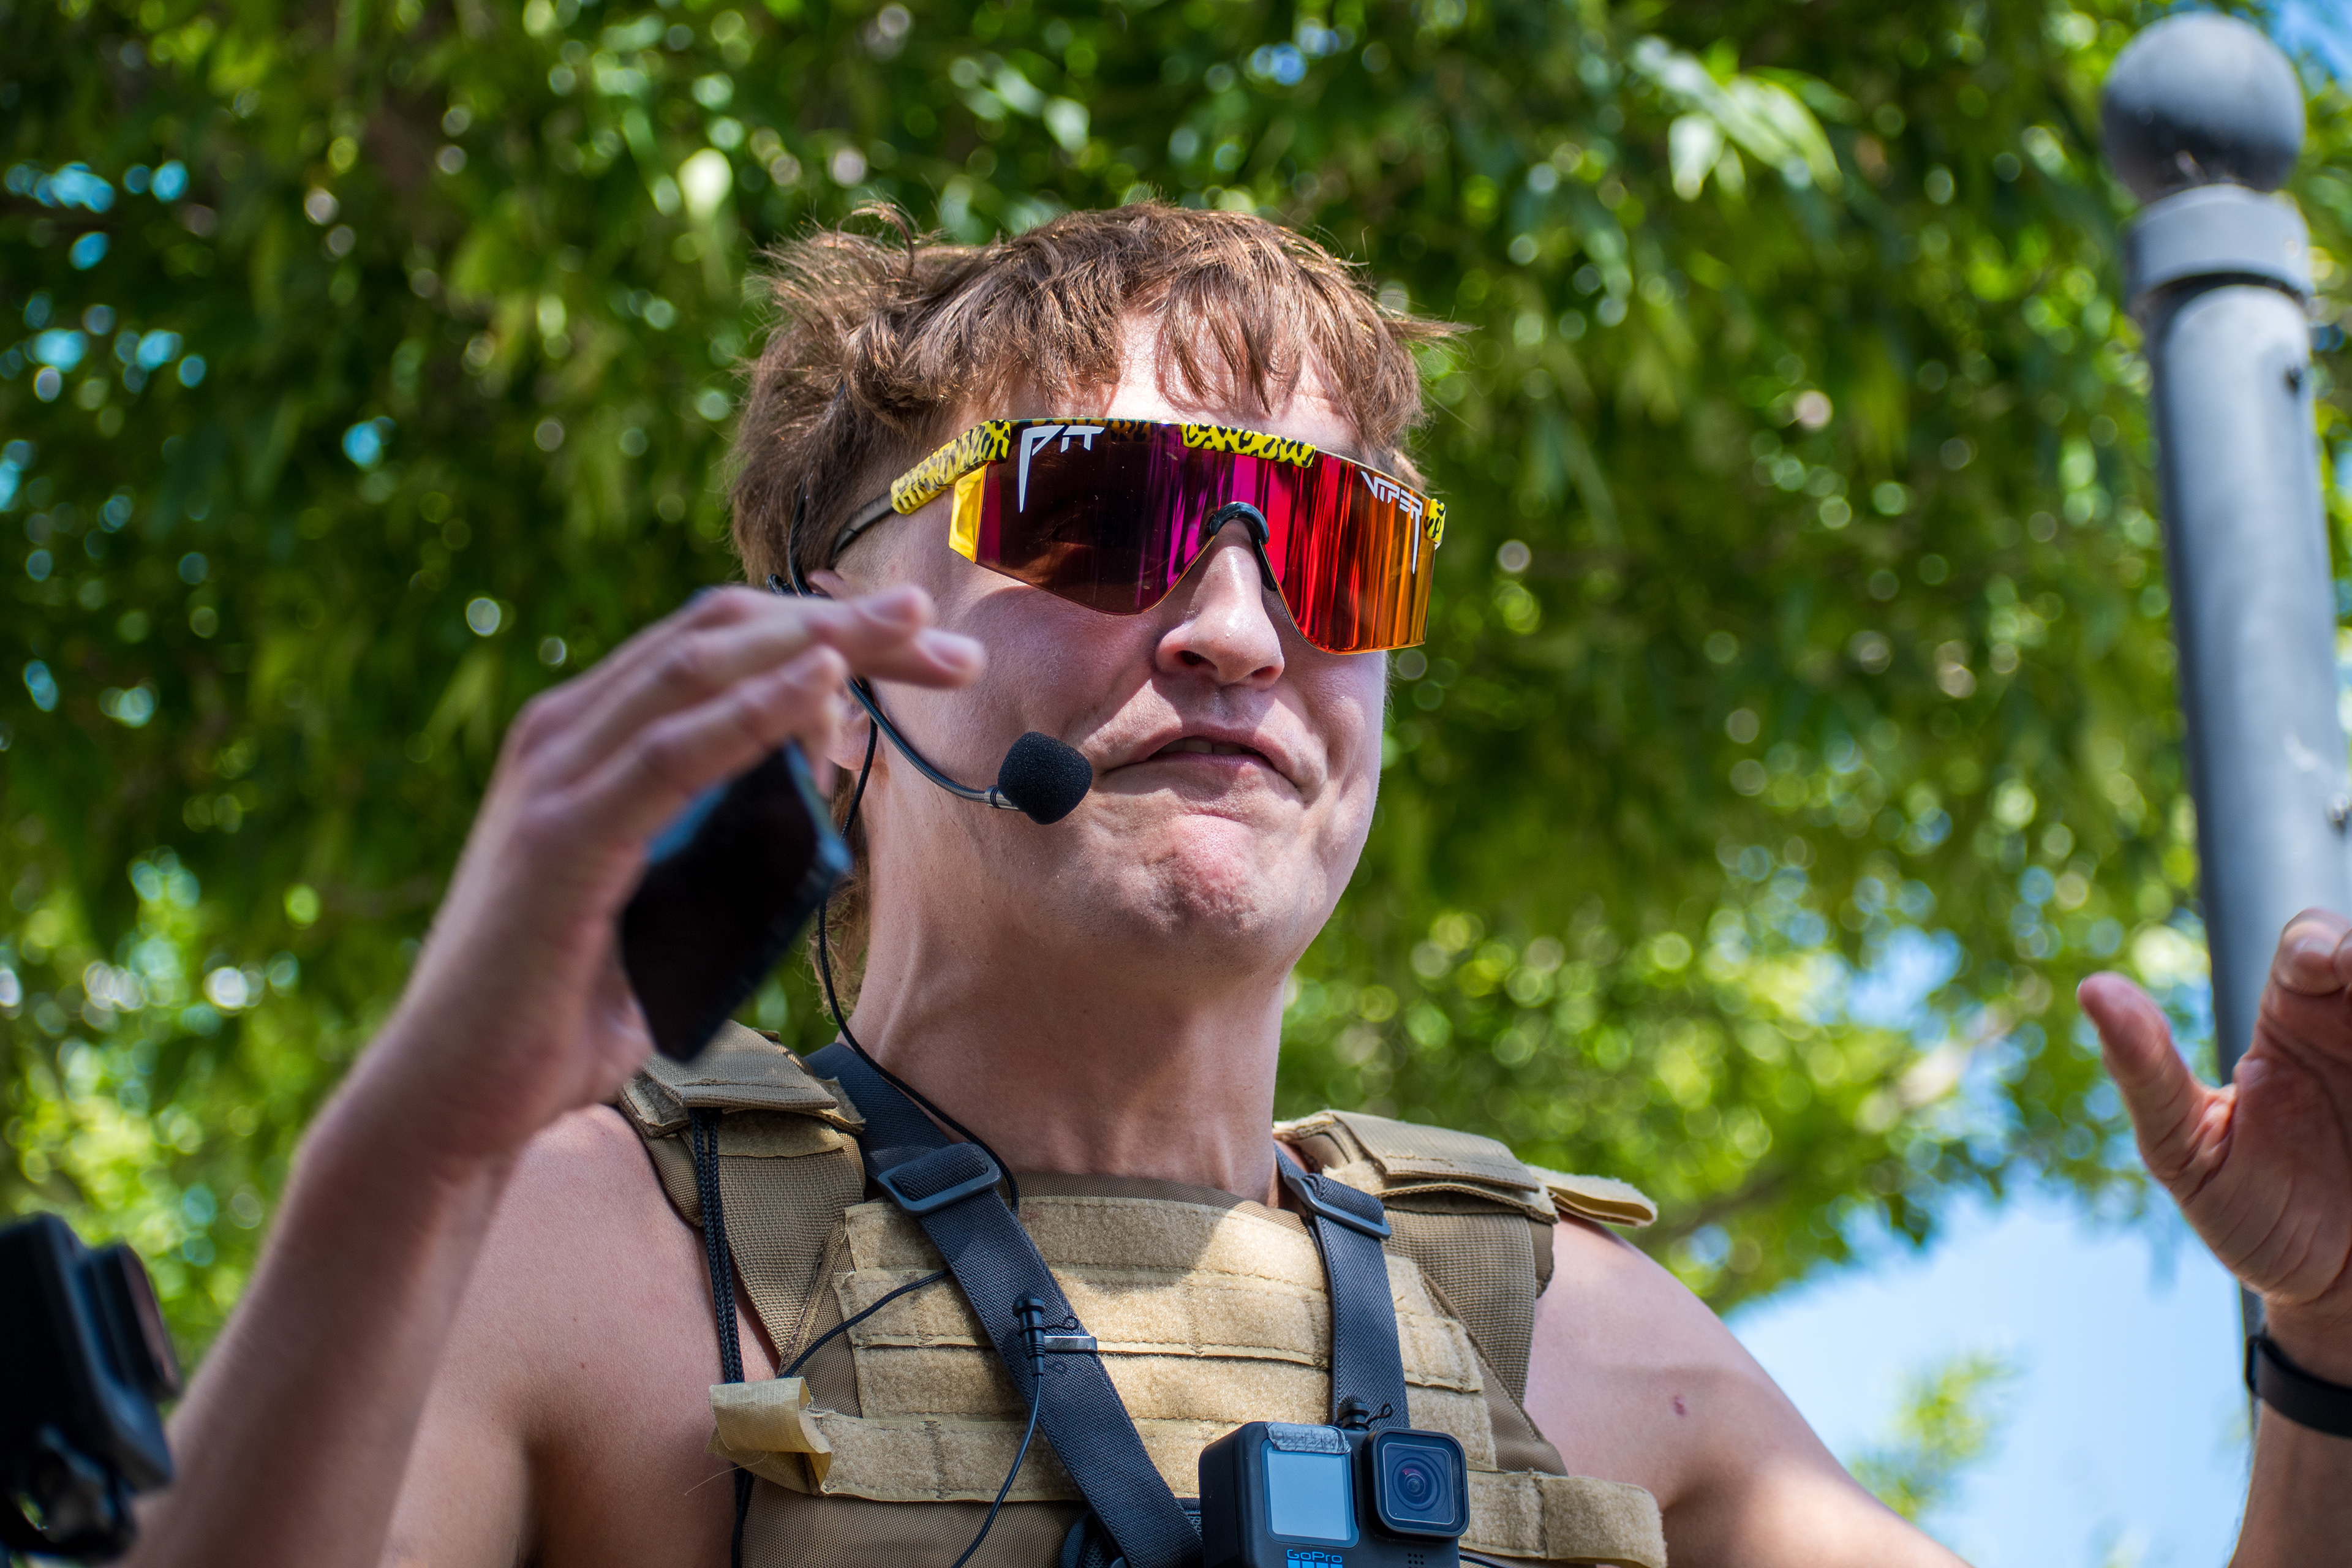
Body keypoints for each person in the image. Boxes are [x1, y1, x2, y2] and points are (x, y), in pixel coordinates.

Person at [127, 205, 2351, 1568]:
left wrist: (2332, 1338)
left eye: (1332, 543)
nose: (1229, 627)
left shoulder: (1586, 1343)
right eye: (1092, 514)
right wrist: (416, 1144)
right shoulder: (564, 1245)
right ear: (831, 662)